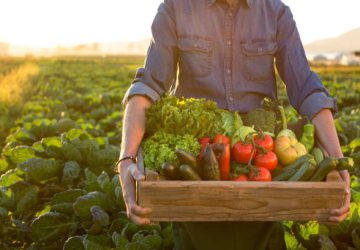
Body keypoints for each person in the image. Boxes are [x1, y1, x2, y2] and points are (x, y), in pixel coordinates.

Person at [118, 0, 351, 249]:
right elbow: (148, 85)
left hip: (261, 161)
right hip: (196, 163)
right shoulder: (176, 8)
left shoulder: (275, 13)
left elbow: (306, 89)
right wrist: (126, 159)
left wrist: (337, 162)